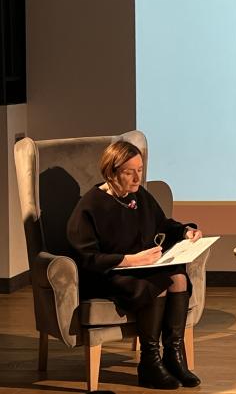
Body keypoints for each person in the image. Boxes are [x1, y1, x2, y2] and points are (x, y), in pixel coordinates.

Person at [67, 140, 203, 390]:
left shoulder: (139, 195)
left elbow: (162, 224)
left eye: (140, 170)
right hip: (107, 274)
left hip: (141, 267)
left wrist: (185, 231)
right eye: (130, 172)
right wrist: (130, 260)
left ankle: (173, 355)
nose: (137, 178)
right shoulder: (90, 205)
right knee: (157, 283)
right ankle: (149, 361)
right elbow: (86, 258)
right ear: (111, 172)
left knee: (178, 278)